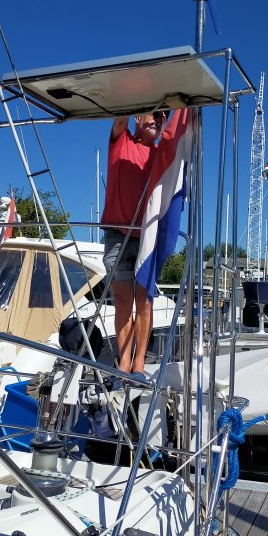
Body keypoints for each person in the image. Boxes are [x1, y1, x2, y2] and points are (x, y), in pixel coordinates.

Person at [100, 110, 165, 377]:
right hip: (118, 235)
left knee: (145, 302)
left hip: (148, 237)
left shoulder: (163, 154)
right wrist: (136, 101)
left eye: (163, 118)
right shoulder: (122, 140)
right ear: (138, 118)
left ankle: (139, 365)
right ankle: (123, 363)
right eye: (153, 115)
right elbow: (118, 117)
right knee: (123, 301)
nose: (158, 120)